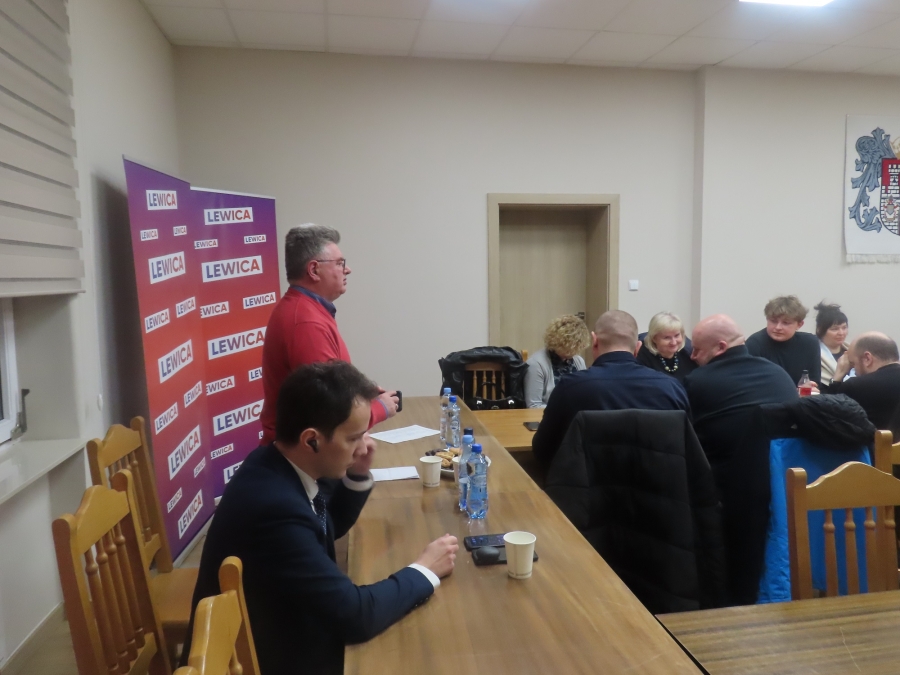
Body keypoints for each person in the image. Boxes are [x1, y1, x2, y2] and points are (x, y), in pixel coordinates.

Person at [185, 361, 459, 675]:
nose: (363, 447)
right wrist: (425, 569)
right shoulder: (275, 510)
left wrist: (357, 474)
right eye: (353, 438)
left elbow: (324, 526)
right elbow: (355, 616)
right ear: (311, 440)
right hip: (275, 657)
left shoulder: (273, 462)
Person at [684, 314, 798, 605]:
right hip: (784, 493)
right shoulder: (778, 374)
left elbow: (686, 443)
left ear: (721, 347)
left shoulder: (698, 382)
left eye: (697, 350)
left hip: (728, 501)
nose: (692, 356)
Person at [260, 224, 398, 444]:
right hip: (301, 456)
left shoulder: (307, 310)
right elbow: (327, 409)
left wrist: (360, 394)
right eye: (340, 263)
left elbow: (333, 384)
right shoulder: (306, 322)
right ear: (314, 270)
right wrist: (379, 409)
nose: (347, 269)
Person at [531, 310, 690, 469]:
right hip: (657, 481)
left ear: (594, 342)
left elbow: (542, 450)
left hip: (587, 482)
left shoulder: (570, 388)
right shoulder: (672, 389)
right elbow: (688, 450)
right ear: (638, 347)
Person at [828, 332, 900, 435]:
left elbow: (829, 421)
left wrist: (836, 379)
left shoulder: (856, 386)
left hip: (874, 445)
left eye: (853, 364)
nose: (853, 371)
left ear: (867, 358)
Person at [746, 295, 821, 386]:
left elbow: (815, 381)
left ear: (799, 325)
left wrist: (811, 388)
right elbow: (750, 384)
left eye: (786, 323)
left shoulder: (810, 343)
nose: (778, 327)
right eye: (773, 321)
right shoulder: (755, 343)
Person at [524, 315, 590, 408]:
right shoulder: (536, 364)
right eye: (570, 348)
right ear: (558, 343)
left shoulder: (578, 361)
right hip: (548, 415)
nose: (574, 352)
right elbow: (533, 405)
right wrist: (562, 411)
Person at [636, 311, 697, 383]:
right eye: (667, 338)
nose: (674, 342)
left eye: (677, 335)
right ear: (654, 338)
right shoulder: (642, 356)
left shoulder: (688, 354)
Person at [814, 301, 849, 386]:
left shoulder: (853, 351)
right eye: (834, 329)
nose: (841, 333)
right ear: (820, 329)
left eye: (844, 328)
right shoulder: (814, 356)